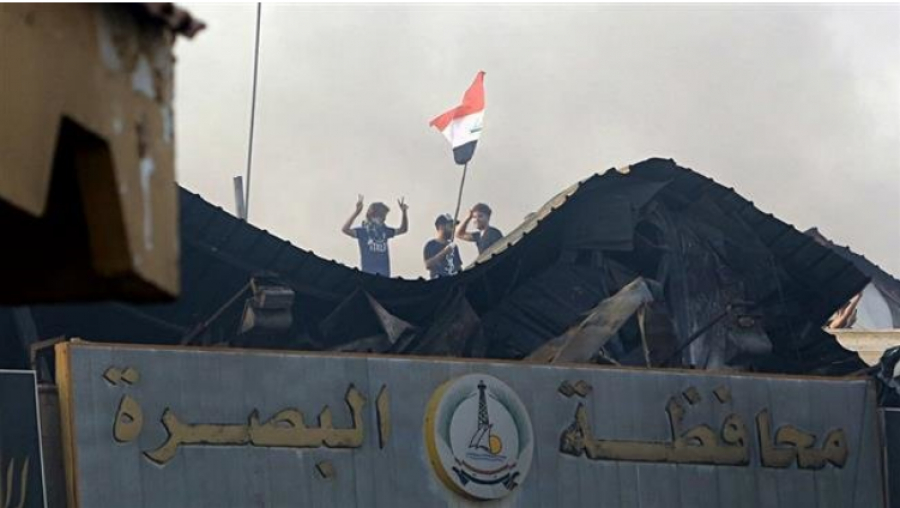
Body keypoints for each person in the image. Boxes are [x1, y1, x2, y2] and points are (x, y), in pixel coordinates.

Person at [342, 195, 408, 277]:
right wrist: (356, 212)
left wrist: (404, 212)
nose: (384, 219)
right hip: (368, 274)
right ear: (374, 215)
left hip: (384, 275)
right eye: (382, 216)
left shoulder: (384, 230)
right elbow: (345, 229)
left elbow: (403, 229)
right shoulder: (364, 231)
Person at [424, 214, 462, 279]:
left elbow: (458, 267)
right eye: (450, 226)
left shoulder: (454, 247)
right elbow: (428, 265)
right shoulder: (430, 245)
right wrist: (445, 252)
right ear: (441, 226)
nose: (453, 229)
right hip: (439, 284)